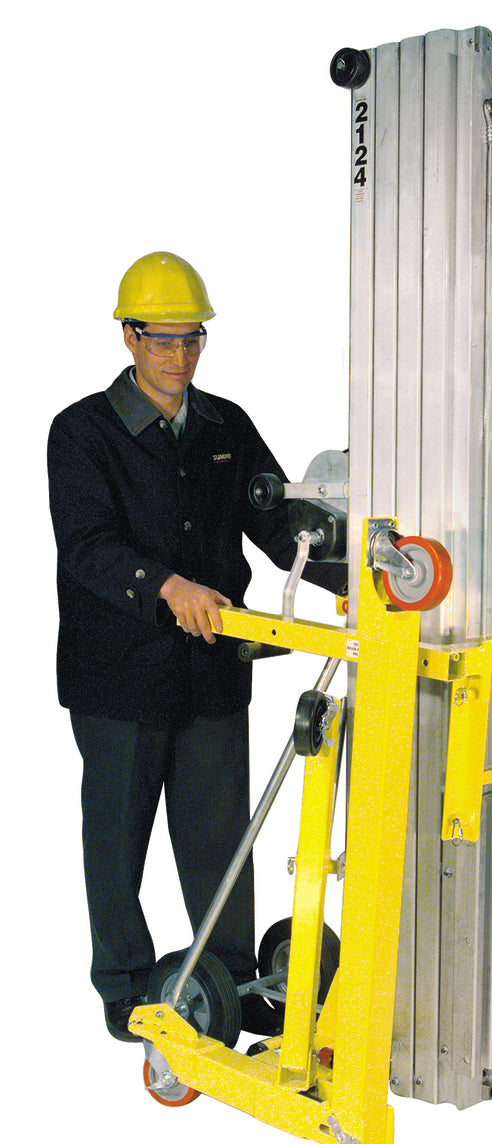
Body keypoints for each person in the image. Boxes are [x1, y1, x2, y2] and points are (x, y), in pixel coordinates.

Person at [47, 251, 346, 1042]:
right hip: (119, 678)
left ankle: (232, 981)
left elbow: (280, 524)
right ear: (129, 336)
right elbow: (87, 546)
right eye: (163, 340)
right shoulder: (81, 432)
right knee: (117, 841)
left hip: (213, 669)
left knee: (221, 841)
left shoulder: (226, 426)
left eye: (193, 339)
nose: (179, 357)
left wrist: (354, 581)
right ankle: (123, 989)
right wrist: (167, 586)